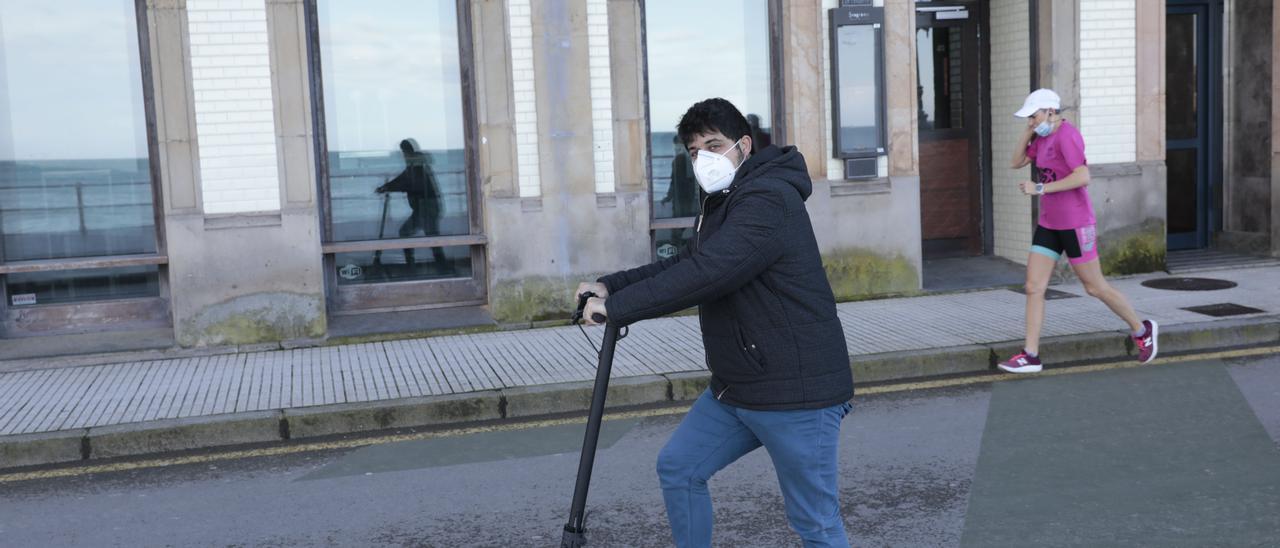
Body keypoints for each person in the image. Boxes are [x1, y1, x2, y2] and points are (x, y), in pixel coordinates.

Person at [575, 98, 854, 547]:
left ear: (743, 146)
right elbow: (689, 262)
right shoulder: (723, 203)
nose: (703, 158)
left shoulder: (769, 200)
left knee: (815, 522)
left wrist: (621, 310)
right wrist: (611, 287)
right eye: (694, 151)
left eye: (714, 145)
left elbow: (710, 273)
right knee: (680, 467)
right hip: (740, 385)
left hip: (796, 392)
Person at [998, 89, 1158, 373]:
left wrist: (1041, 188)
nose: (1032, 121)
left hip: (1075, 223)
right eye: (1029, 118)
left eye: (1033, 115)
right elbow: (1015, 161)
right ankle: (1030, 355)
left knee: (1094, 287)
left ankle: (1141, 329)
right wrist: (1028, 130)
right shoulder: (1043, 135)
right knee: (1034, 287)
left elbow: (1083, 176)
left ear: (1050, 111)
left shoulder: (1068, 136)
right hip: (1049, 223)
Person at [376, 138, 448, 271]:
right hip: (425, 207)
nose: (403, 155)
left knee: (422, 236)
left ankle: (421, 265)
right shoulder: (414, 165)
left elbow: (410, 183)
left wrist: (388, 187)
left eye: (403, 152)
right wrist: (386, 187)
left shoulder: (417, 165)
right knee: (429, 237)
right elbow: (403, 179)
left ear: (407, 151)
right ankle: (439, 266)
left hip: (427, 207)